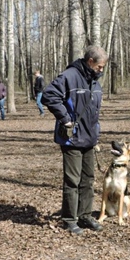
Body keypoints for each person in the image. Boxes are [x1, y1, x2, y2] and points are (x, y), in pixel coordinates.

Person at [41, 45, 109, 235]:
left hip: (89, 139)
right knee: (72, 180)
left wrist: (96, 134)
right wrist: (65, 119)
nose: (101, 70)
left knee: (88, 180)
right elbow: (49, 95)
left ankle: (85, 215)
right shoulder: (69, 76)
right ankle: (70, 219)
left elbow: (94, 112)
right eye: (100, 67)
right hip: (71, 139)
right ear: (90, 61)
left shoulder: (95, 82)